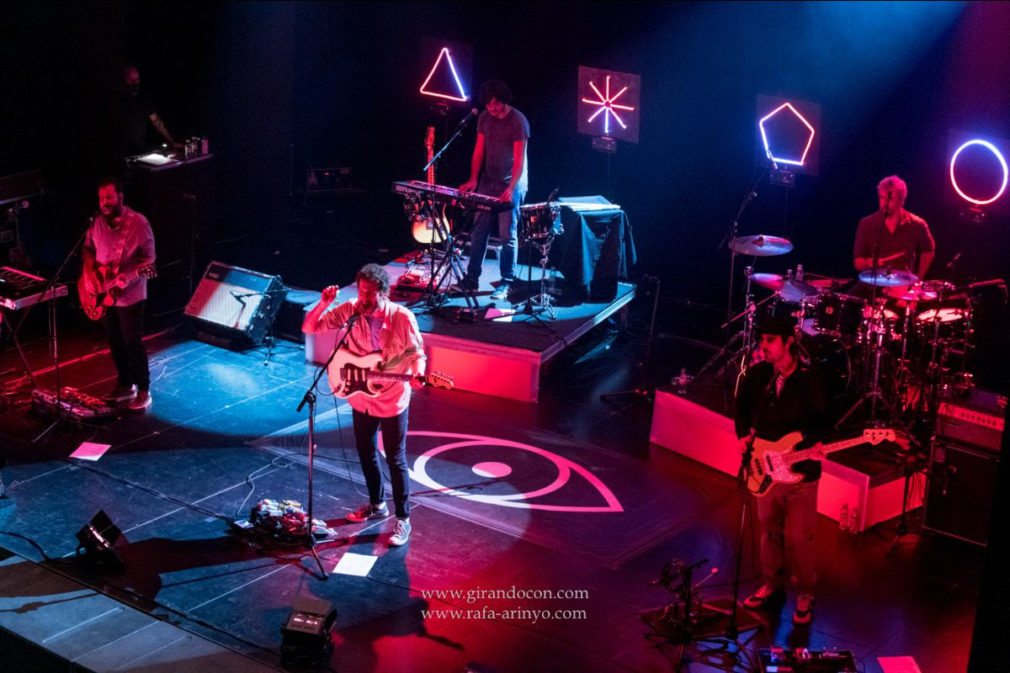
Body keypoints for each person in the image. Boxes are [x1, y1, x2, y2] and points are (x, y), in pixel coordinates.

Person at [302, 263, 426, 547]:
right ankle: (376, 504)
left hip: (392, 396)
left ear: (383, 292)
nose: (364, 299)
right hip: (360, 393)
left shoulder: (402, 317)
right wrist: (323, 304)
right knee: (366, 451)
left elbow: (416, 352)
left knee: (395, 458)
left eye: (370, 294)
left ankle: (403, 519)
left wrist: (418, 373)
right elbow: (310, 327)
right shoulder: (352, 309)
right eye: (361, 292)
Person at [734, 315, 828, 627]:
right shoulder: (760, 375)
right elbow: (741, 405)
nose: (764, 346)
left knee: (801, 536)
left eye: (770, 340)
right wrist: (742, 434)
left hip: (800, 470)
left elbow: (822, 420)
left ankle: (805, 592)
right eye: (762, 340)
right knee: (768, 530)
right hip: (764, 468)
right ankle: (771, 583)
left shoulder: (809, 379)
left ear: (788, 341)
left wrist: (814, 445)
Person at [81, 177, 156, 411]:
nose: (105, 202)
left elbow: (150, 261)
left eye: (109, 197)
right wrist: (89, 273)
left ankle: (144, 389)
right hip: (104, 292)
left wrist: (126, 279)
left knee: (132, 341)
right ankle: (125, 384)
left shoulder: (139, 223)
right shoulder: (97, 223)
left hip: (131, 293)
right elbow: (87, 248)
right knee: (114, 341)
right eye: (102, 198)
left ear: (120, 197)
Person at [457, 79, 530, 302]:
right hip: (488, 180)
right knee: (479, 231)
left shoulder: (518, 121)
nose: (492, 109)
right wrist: (472, 179)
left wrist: (511, 188)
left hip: (512, 181)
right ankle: (471, 278)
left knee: (507, 234)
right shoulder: (484, 119)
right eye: (488, 105)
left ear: (503, 101)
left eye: (496, 104)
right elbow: (479, 151)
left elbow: (519, 160)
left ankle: (506, 283)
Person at [853, 175, 935, 283]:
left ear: (901, 201)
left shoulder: (917, 224)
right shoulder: (866, 224)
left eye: (890, 199)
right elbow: (857, 262)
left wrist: (918, 280)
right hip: (873, 285)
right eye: (882, 198)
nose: (884, 204)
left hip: (902, 288)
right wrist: (869, 263)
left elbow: (929, 250)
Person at [122, 65, 182, 157]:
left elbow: (156, 121)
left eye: (137, 79)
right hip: (122, 153)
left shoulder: (143, 98)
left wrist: (171, 142)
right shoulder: (117, 100)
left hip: (139, 151)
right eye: (130, 80)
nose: (135, 83)